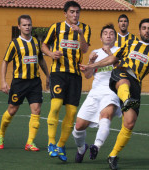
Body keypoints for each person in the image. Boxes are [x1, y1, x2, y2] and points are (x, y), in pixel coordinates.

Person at [80, 18, 149, 170]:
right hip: (122, 73)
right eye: (144, 28)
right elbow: (113, 58)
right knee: (124, 82)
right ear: (139, 31)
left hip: (136, 84)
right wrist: (92, 65)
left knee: (129, 123)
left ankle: (112, 155)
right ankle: (127, 101)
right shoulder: (130, 44)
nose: (147, 31)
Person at [41, 1, 91, 162]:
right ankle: (51, 143)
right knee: (55, 106)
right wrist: (50, 54)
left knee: (71, 113)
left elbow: (84, 50)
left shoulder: (85, 28)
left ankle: (61, 146)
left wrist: (81, 33)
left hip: (75, 75)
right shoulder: (56, 27)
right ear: (65, 13)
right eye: (72, 12)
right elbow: (43, 45)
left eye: (77, 12)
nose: (75, 15)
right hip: (58, 73)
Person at [0, 15, 49, 151]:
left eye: (29, 25)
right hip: (19, 82)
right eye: (24, 25)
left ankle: (30, 142)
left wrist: (48, 76)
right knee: (12, 110)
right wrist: (3, 81)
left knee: (36, 110)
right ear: (19, 27)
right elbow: (5, 61)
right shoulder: (14, 43)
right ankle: (1, 133)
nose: (27, 27)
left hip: (35, 82)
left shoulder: (36, 42)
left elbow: (41, 60)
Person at [72, 24, 122, 163]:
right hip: (95, 92)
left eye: (111, 33)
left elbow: (120, 69)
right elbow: (88, 75)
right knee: (78, 126)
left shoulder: (120, 51)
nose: (108, 35)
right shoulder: (95, 52)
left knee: (105, 116)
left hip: (112, 91)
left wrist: (110, 55)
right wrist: (91, 61)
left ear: (115, 37)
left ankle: (96, 146)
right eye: (105, 33)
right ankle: (82, 149)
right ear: (101, 37)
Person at [116, 14, 149, 79]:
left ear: (128, 24)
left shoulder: (134, 39)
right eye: (121, 21)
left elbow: (142, 53)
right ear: (118, 24)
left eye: (125, 21)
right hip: (113, 67)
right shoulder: (112, 37)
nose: (123, 23)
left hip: (128, 71)